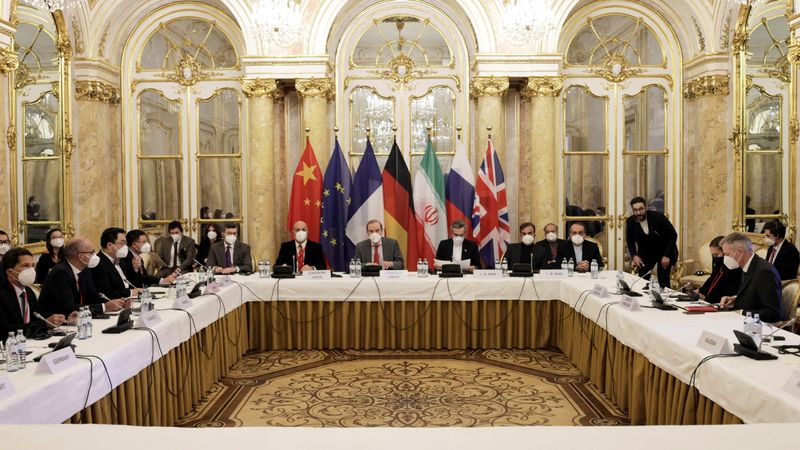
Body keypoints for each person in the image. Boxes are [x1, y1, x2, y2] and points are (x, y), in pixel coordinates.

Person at [38, 237, 130, 316]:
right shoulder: (60, 273)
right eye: (91, 252)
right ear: (81, 256)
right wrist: (104, 307)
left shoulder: (84, 269)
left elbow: (92, 296)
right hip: (57, 325)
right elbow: (69, 307)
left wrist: (115, 302)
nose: (95, 255)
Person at [1, 247, 71, 339]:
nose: (31, 270)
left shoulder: (28, 291)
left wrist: (65, 318)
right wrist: (44, 324)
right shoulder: (2, 294)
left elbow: (39, 315)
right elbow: (4, 329)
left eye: (32, 265)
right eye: (26, 266)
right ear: (10, 272)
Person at [719, 232, 783, 323]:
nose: (725, 258)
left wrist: (742, 312)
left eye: (727, 254)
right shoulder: (748, 266)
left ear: (740, 251)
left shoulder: (765, 272)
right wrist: (735, 299)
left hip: (759, 327)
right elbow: (756, 297)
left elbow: (773, 314)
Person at [625, 196, 678, 288]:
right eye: (635, 210)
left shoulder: (658, 217)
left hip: (665, 251)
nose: (638, 212)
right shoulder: (630, 221)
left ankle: (664, 300)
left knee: (663, 282)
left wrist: (666, 255)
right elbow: (630, 240)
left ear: (646, 208)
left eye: (641, 209)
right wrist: (634, 255)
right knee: (642, 279)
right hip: (646, 252)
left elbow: (673, 235)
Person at [696, 236, 742, 305]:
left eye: (716, 255)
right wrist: (700, 291)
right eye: (713, 256)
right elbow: (712, 278)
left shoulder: (733, 268)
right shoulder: (718, 263)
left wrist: (706, 298)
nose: (714, 258)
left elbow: (726, 292)